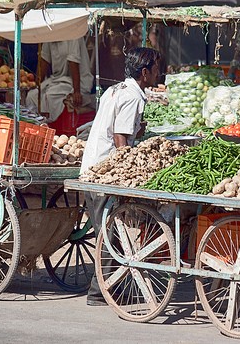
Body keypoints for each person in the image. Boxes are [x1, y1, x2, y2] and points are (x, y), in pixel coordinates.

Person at [79, 47, 161, 306]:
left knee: (107, 229)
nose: (160, 73)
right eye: (156, 68)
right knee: (109, 231)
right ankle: (98, 292)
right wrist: (130, 168)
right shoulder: (133, 97)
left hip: (91, 166)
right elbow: (119, 138)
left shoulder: (115, 90)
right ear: (145, 72)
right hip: (103, 171)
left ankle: (110, 286)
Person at [26, 36, 95, 123]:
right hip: (57, 80)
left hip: (78, 82)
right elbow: (44, 61)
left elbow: (74, 63)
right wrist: (36, 85)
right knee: (32, 95)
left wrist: (77, 92)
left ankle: (47, 124)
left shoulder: (73, 35)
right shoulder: (50, 34)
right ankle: (35, 125)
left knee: (50, 96)